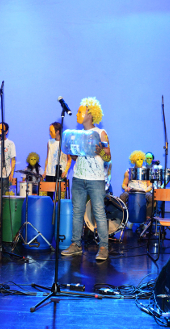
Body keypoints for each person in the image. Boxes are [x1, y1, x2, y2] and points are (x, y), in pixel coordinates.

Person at [61, 97, 111, 261]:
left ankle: (103, 247)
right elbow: (77, 157)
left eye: (80, 111)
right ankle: (76, 244)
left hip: (96, 179)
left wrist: (100, 152)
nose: (77, 114)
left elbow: (108, 157)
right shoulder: (77, 135)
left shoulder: (101, 134)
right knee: (77, 213)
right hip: (78, 178)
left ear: (90, 114)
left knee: (99, 213)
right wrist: (72, 152)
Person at [119, 150, 153, 218]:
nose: (140, 161)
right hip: (131, 192)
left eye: (141, 159)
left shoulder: (146, 171)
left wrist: (146, 190)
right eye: (138, 159)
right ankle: (125, 217)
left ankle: (147, 218)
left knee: (151, 197)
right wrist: (126, 188)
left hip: (143, 192)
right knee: (122, 196)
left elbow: (150, 185)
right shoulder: (128, 172)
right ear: (133, 161)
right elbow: (124, 184)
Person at [42, 122, 71, 199]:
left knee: (60, 198)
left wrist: (66, 171)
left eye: (51, 131)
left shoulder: (65, 143)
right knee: (49, 197)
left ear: (57, 131)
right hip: (50, 173)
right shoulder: (49, 143)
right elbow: (47, 157)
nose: (49, 133)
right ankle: (50, 210)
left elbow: (69, 159)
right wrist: (45, 171)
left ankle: (59, 211)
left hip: (61, 174)